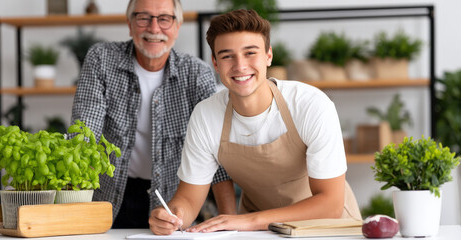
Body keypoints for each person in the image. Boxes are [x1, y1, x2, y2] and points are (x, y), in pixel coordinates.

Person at [148, 9, 362, 235]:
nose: (240, 66)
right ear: (215, 63)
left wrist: (247, 221)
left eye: (250, 53)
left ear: (268, 55)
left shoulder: (310, 105)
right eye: (227, 55)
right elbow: (189, 199)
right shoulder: (206, 116)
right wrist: (172, 216)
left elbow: (330, 204)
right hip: (261, 232)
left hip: (326, 228)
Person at [70, 0, 236, 229]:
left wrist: (232, 225)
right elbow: (86, 129)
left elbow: (216, 154)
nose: (154, 28)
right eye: (143, 18)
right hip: (106, 195)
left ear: (177, 27)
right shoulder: (101, 59)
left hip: (172, 204)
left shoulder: (197, 74)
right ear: (130, 24)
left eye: (164, 19)